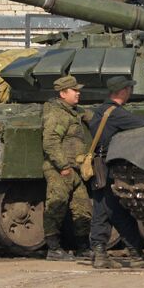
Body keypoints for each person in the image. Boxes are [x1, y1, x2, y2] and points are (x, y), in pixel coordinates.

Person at [86, 76, 144, 269]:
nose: (131, 93)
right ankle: (131, 255)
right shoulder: (115, 113)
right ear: (122, 91)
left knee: (105, 210)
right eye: (129, 89)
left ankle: (102, 253)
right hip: (108, 168)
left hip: (98, 167)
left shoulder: (101, 110)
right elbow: (141, 121)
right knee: (113, 210)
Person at [40, 74, 92, 260]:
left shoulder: (72, 111)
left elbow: (90, 116)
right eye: (74, 90)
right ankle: (53, 249)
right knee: (57, 205)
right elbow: (51, 142)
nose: (78, 93)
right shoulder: (57, 114)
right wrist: (63, 166)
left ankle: (83, 247)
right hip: (60, 169)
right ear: (63, 93)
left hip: (75, 170)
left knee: (82, 208)